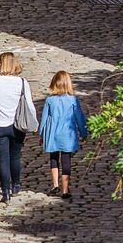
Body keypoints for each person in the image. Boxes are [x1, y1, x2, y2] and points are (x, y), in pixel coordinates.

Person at [0, 52, 37, 203]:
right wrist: (35, 122)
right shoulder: (22, 82)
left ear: (1, 64)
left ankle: (5, 193)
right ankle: (16, 185)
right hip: (17, 126)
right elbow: (29, 105)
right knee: (15, 156)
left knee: (2, 160)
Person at [38, 70, 88, 200]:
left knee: (53, 158)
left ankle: (55, 185)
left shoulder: (49, 100)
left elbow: (43, 120)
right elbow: (80, 118)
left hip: (52, 135)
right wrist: (84, 133)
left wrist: (41, 134)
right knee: (66, 160)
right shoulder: (73, 100)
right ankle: (65, 190)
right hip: (67, 135)